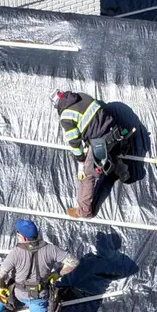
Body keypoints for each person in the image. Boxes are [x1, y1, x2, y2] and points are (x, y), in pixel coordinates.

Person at [54, 90, 130, 219]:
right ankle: (123, 172)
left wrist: (81, 160)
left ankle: (84, 211)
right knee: (107, 152)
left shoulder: (66, 116)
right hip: (114, 131)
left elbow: (74, 141)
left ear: (57, 105)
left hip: (99, 142)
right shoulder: (82, 96)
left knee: (88, 174)